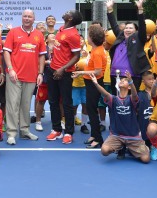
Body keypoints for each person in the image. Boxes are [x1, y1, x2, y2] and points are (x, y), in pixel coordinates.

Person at [3, 9, 46, 144]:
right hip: (14, 76)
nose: (27, 18)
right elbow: (6, 52)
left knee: (26, 105)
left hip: (31, 76)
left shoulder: (39, 34)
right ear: (22, 18)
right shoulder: (13, 32)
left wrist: (40, 73)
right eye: (25, 16)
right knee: (12, 104)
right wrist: (10, 69)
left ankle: (25, 131)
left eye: (29, 16)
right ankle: (11, 133)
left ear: (34, 19)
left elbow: (42, 55)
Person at [87, 73, 150, 164]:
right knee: (104, 150)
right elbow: (104, 93)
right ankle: (120, 146)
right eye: (121, 80)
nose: (122, 81)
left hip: (133, 136)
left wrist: (131, 82)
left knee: (146, 159)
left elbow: (135, 95)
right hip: (117, 136)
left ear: (129, 87)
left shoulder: (132, 99)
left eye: (125, 81)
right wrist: (96, 83)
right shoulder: (113, 99)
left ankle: (132, 149)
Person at [46, 9, 82, 144]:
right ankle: (56, 129)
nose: (66, 12)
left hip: (65, 73)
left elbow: (77, 56)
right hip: (52, 70)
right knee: (53, 101)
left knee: (66, 103)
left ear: (70, 18)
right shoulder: (61, 29)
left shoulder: (74, 35)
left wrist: (62, 68)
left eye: (68, 12)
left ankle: (68, 132)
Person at [106, 0, 151, 90]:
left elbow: (142, 26)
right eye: (126, 28)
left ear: (136, 31)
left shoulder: (139, 38)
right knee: (117, 100)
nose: (127, 30)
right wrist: (110, 9)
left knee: (130, 100)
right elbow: (114, 25)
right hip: (115, 74)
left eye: (131, 28)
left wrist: (140, 9)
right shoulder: (120, 36)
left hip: (132, 75)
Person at [72, 25, 107, 148]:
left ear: (92, 37)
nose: (87, 37)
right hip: (90, 83)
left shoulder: (97, 52)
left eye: (88, 35)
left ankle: (98, 138)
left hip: (94, 83)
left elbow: (97, 71)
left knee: (92, 111)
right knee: (91, 110)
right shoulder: (95, 49)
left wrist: (81, 73)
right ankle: (94, 135)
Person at [34, 33, 55, 132]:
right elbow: (37, 61)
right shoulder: (43, 48)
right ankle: (38, 121)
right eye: (51, 36)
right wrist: (47, 62)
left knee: (58, 101)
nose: (54, 37)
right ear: (46, 40)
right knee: (41, 100)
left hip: (56, 78)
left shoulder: (59, 48)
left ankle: (58, 121)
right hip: (45, 77)